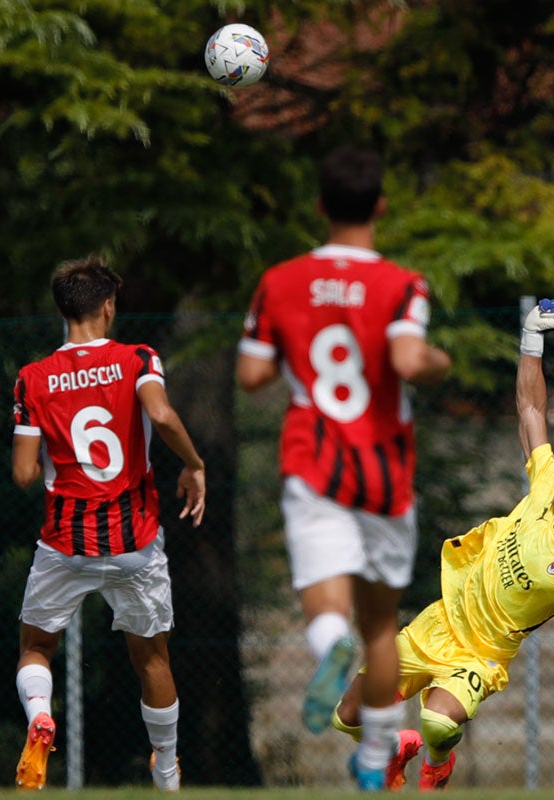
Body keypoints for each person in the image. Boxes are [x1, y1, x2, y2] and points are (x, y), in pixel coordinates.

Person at [327, 298, 554, 791]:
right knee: (346, 716)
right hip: (435, 625)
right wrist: (531, 338)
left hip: (482, 656)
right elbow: (531, 407)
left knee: (438, 723)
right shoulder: (545, 486)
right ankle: (396, 746)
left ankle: (437, 761)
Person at [235, 145, 452, 789]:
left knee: (326, 598)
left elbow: (251, 374)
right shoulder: (402, 284)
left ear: (321, 206)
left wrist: (290, 353)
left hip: (315, 459)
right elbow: (410, 361)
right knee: (382, 622)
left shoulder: (281, 281)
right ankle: (372, 758)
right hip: (384, 469)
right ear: (380, 206)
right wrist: (440, 362)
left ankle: (329, 643)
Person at [11, 256, 207, 792]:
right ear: (107, 305)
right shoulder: (138, 358)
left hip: (64, 543)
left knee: (36, 648)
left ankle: (40, 718)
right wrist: (194, 464)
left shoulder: (33, 379)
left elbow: (24, 474)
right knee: (151, 658)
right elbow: (162, 416)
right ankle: (166, 770)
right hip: (134, 542)